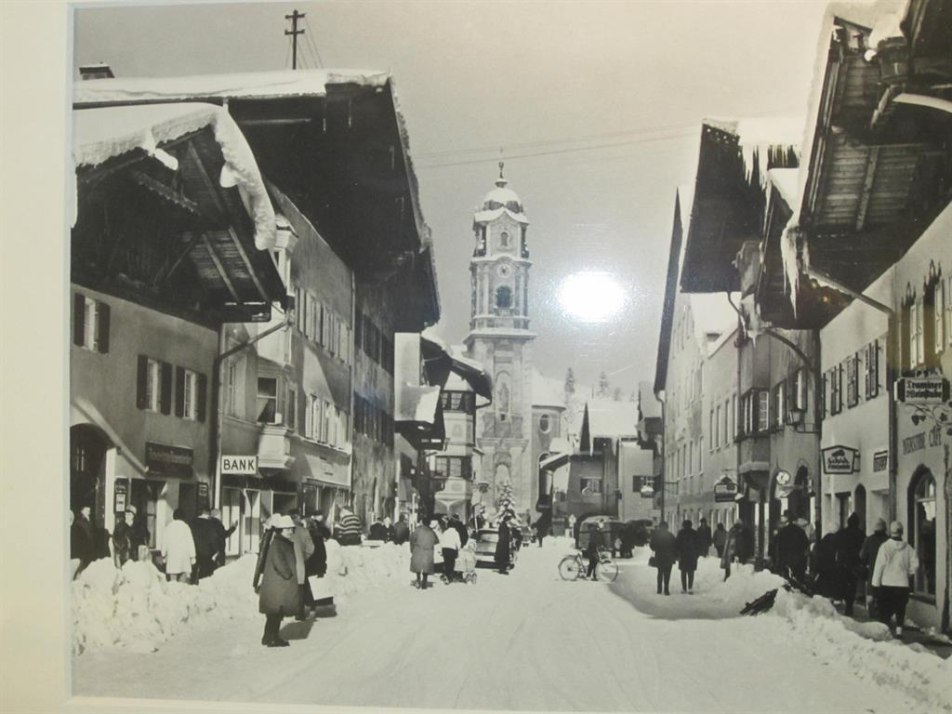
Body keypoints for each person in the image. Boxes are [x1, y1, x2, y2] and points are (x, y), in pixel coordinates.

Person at [253, 515, 301, 647]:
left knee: (275, 613)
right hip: (278, 584)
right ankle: (272, 638)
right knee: (275, 612)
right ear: (280, 530)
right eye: (287, 530)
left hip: (278, 584)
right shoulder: (278, 543)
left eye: (291, 529)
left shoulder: (281, 542)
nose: (290, 532)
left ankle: (268, 636)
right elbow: (278, 561)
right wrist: (288, 574)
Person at [871, 520, 919, 637]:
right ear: (902, 532)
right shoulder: (908, 548)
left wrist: (875, 584)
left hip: (887, 582)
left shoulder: (885, 547)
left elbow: (879, 566)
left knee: (885, 609)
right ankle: (899, 631)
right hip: (902, 583)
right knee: (900, 608)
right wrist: (908, 573)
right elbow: (915, 564)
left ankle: (885, 631)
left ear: (890, 532)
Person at [834, 512, 865, 616]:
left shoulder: (841, 533)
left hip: (842, 562)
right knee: (852, 584)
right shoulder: (860, 534)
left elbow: (835, 545)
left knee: (843, 583)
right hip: (854, 562)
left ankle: (845, 602)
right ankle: (849, 605)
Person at [287, 509, 315, 619]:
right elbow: (311, 548)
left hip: (286, 563)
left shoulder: (284, 530)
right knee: (300, 588)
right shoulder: (303, 531)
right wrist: (303, 558)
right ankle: (299, 613)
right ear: (297, 517)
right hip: (299, 564)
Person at [859, 518, 889, 616]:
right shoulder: (888, 541)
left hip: (872, 569)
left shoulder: (869, 540)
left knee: (872, 592)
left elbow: (862, 556)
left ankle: (872, 613)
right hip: (887, 571)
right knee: (884, 592)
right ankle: (883, 612)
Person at [162, 509, 196, 583]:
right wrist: (193, 557)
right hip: (184, 558)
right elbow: (190, 542)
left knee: (172, 581)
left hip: (172, 557)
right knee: (183, 582)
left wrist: (163, 554)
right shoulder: (186, 527)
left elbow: (165, 542)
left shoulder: (169, 527)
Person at [775, 514, 810, 582]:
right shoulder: (800, 531)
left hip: (785, 561)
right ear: (795, 521)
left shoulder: (782, 532)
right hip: (799, 561)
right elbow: (806, 544)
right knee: (799, 581)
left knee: (787, 581)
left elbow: (779, 548)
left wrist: (779, 562)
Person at [190, 507, 220, 581]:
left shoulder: (192, 522)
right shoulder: (210, 524)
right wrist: (216, 550)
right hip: (207, 553)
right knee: (205, 574)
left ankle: (193, 586)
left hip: (195, 551)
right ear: (208, 514)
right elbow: (213, 538)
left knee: (193, 572)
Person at [409, 517, 439, 589]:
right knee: (426, 567)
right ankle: (424, 582)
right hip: (428, 551)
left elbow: (412, 538)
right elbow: (437, 541)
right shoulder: (432, 532)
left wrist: (412, 548)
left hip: (418, 550)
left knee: (418, 567)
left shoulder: (418, 530)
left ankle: (418, 580)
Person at [650, 521, 677, 595]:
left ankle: (659, 589)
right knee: (667, 573)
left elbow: (652, 546)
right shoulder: (670, 535)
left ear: (660, 527)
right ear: (667, 527)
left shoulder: (656, 536)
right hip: (669, 556)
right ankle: (666, 589)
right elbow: (675, 546)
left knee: (660, 572)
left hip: (659, 556)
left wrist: (657, 548)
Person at [675, 520, 700, 594]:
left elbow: (677, 544)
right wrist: (696, 555)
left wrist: (677, 554)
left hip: (683, 556)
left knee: (683, 572)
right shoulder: (694, 533)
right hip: (692, 556)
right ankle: (690, 588)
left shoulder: (681, 533)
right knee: (691, 572)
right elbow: (698, 545)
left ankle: (684, 588)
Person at [71, 506, 96, 578]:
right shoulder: (79, 522)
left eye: (89, 509)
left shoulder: (88, 520)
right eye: (87, 509)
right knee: (81, 567)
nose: (89, 511)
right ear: (82, 511)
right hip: (83, 549)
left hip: (88, 548)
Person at [439, 516, 462, 581]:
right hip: (452, 550)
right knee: (451, 564)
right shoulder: (455, 533)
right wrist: (459, 549)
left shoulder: (445, 532)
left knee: (446, 563)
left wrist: (441, 550)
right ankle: (449, 577)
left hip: (445, 549)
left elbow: (442, 541)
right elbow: (458, 542)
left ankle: (446, 575)